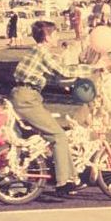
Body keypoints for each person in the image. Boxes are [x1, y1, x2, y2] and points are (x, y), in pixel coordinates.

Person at [11, 20, 93, 196]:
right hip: (27, 99)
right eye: (55, 33)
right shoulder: (42, 53)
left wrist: (70, 82)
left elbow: (55, 75)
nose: (58, 37)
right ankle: (62, 183)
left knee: (56, 136)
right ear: (47, 37)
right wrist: (94, 68)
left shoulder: (36, 52)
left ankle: (73, 179)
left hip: (25, 96)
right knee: (58, 136)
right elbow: (63, 71)